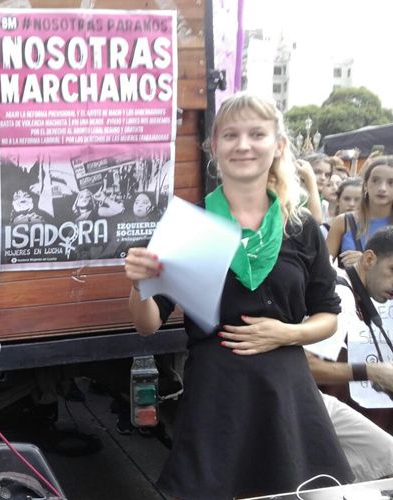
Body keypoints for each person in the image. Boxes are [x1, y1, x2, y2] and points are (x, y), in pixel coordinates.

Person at [124, 92, 353, 498]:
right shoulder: (190, 226)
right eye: (230, 135)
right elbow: (147, 325)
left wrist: (285, 334)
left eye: (256, 134)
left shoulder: (299, 226)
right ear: (215, 146)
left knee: (292, 489)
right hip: (217, 394)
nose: (243, 144)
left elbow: (328, 315)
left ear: (278, 145)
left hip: (284, 391)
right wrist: (139, 284)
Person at [305, 226, 393, 482]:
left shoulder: (350, 291)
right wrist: (370, 371)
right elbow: (306, 365)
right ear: (368, 259)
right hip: (307, 404)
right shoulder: (342, 295)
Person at [326, 155, 393, 268]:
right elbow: (323, 267)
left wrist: (365, 261)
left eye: (391, 183)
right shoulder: (344, 221)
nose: (382, 188)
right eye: (375, 180)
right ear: (365, 185)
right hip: (350, 284)